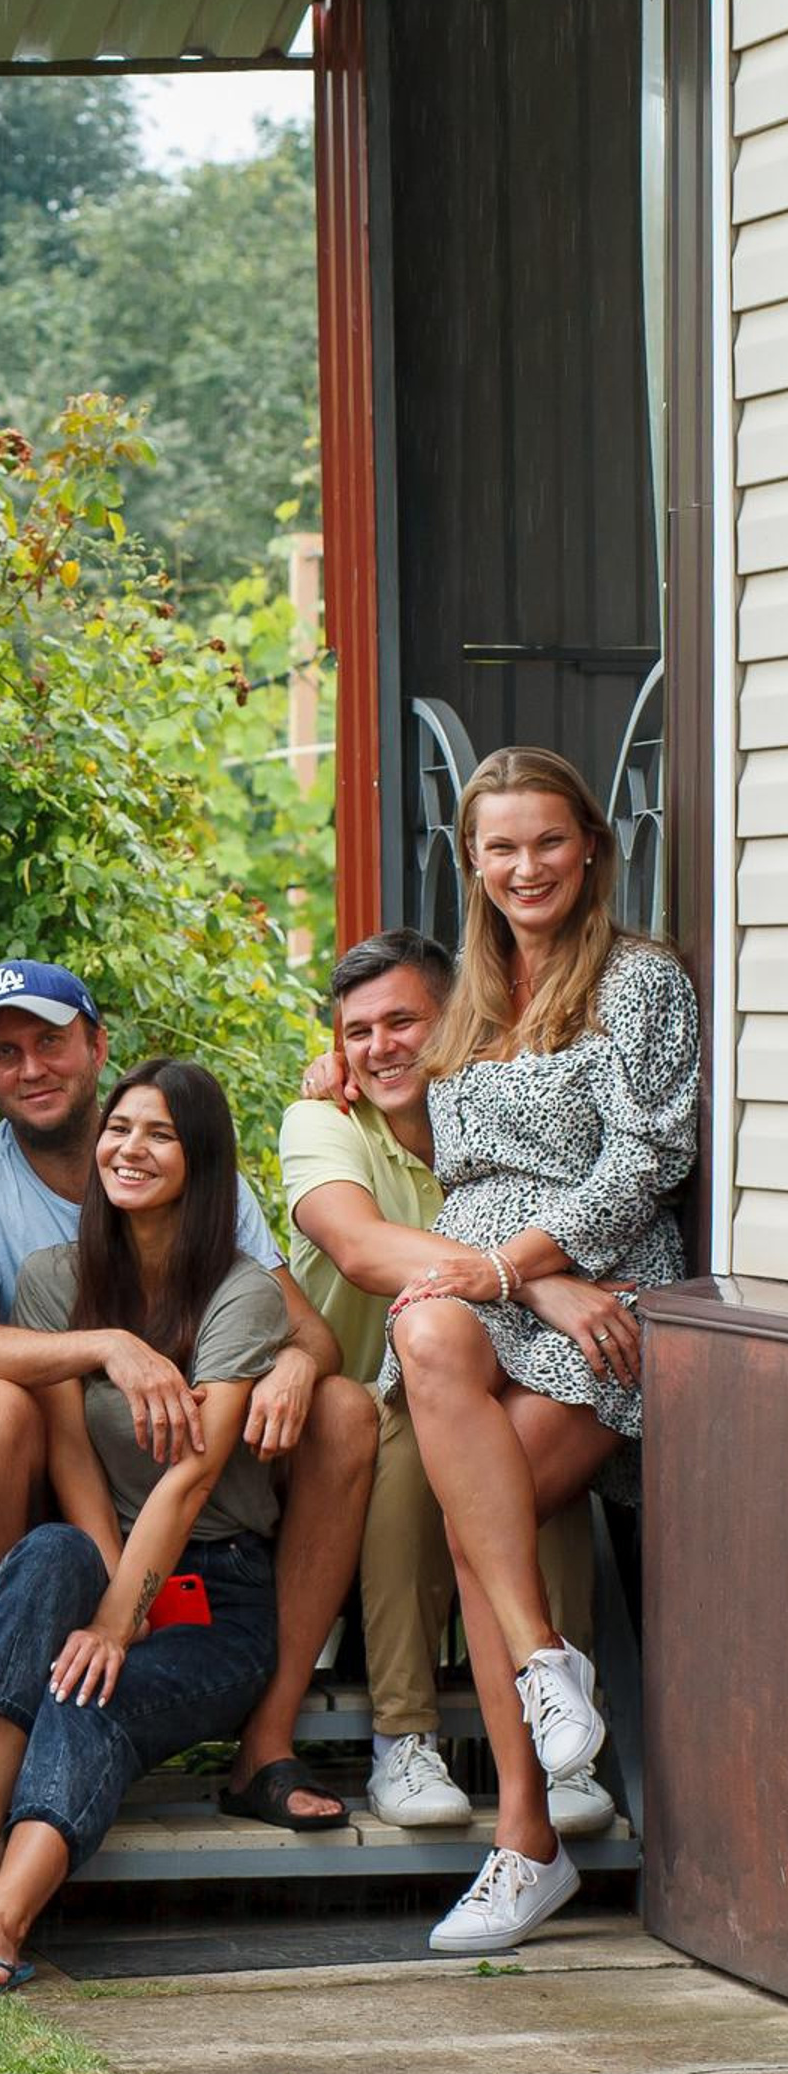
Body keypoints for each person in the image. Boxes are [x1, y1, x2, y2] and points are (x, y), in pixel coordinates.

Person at [0, 959, 373, 1833]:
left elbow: (309, 1333)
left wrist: (292, 1366)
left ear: (97, 1046)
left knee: (346, 1408)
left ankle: (268, 1738)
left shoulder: (189, 1168)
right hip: (69, 1479)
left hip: (199, 1486)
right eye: (5, 1052)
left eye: (51, 1043)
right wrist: (109, 1345)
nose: (31, 1069)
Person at [381, 747, 697, 1952]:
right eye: (500, 846)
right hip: (497, 1290)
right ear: (471, 861)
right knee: (427, 1325)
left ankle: (525, 1839)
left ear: (591, 848)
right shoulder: (465, 992)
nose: (526, 867)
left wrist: (536, 1272)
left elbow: (646, 1158)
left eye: (547, 841)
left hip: (606, 1291)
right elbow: (456, 1172)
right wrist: (515, 1281)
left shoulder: (638, 980)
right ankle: (546, 1671)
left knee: (477, 1516)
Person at [0, 1060, 290, 1995]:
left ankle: (4, 1917)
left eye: (160, 1134)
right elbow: (70, 1454)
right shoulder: (57, 1281)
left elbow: (192, 1475)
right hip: (113, 1562)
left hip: (216, 1592)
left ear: (203, 1159)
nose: (129, 1148)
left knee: (90, 1690)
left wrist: (117, 1622)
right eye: (120, 1129)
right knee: (51, 1551)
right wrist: (99, 1579)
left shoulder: (241, 1293)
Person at [280, 928, 609, 1835]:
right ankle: (404, 1735)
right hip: (350, 1407)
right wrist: (532, 1277)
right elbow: (359, 1247)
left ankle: (566, 1747)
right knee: (398, 1427)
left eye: (402, 1022)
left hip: (488, 1383)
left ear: (457, 1018)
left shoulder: (499, 1110)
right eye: (356, 1033)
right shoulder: (324, 1120)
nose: (379, 1047)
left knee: (535, 1441)